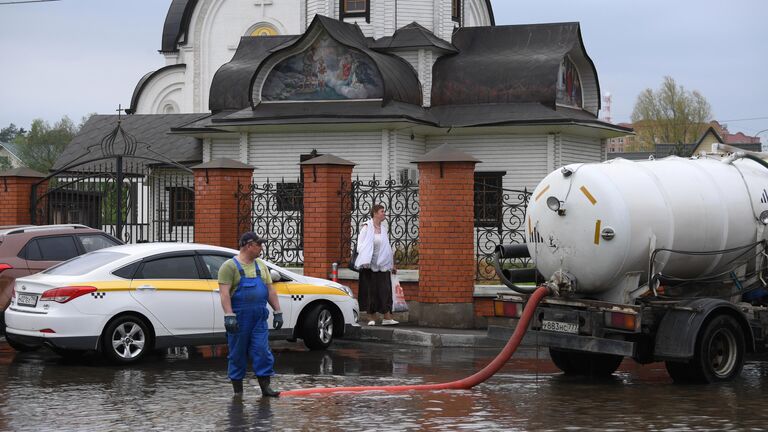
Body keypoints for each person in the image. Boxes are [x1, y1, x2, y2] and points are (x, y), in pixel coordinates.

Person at [219, 232, 284, 397]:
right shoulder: (229, 266)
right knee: (237, 354)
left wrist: (278, 311)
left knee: (262, 351)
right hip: (239, 319)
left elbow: (270, 290)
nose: (261, 248)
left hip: (259, 318)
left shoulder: (261, 265)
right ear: (249, 245)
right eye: (259, 244)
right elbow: (224, 293)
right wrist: (229, 315)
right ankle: (238, 393)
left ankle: (266, 389)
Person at [355, 204, 398, 326]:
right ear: (375, 213)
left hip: (383, 265)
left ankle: (387, 317)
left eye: (384, 211)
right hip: (369, 266)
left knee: (385, 290)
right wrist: (368, 255)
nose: (384, 213)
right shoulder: (366, 227)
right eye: (382, 211)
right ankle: (371, 317)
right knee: (371, 292)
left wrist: (392, 264)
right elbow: (359, 246)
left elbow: (387, 248)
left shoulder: (383, 229)